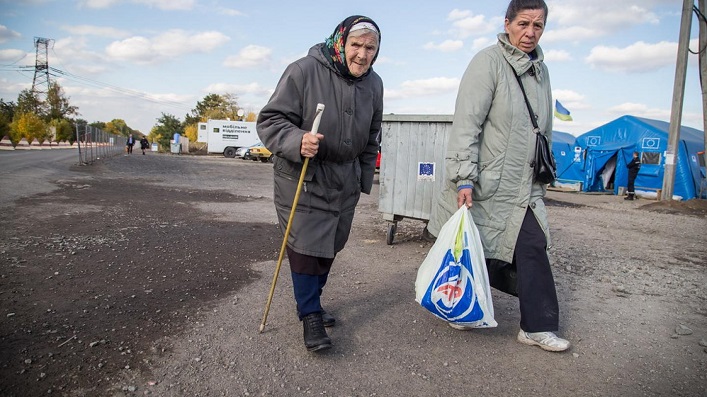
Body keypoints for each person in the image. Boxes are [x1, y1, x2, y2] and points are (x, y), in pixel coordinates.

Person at [427, 0, 570, 352]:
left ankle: (536, 327)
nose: (530, 33)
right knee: (471, 249)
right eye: (523, 23)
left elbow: (543, 130)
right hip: (486, 183)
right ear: (507, 23)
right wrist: (463, 177)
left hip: (524, 185)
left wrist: (543, 171)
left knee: (532, 245)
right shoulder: (487, 62)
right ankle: (460, 308)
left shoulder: (542, 71)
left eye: (538, 26)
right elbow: (467, 125)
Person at [256, 15, 383, 352]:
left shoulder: (375, 84)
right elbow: (270, 120)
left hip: (345, 180)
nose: (362, 54)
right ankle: (310, 314)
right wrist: (297, 140)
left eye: (370, 47)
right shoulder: (303, 71)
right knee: (304, 250)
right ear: (340, 42)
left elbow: (372, 136)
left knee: (329, 248)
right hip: (303, 175)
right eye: (356, 45)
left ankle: (312, 300)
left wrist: (362, 179)